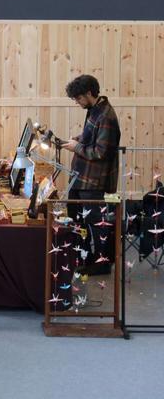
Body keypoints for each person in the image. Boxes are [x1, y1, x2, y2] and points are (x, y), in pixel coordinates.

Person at [62, 74, 120, 275]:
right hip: (82, 179)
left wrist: (77, 147)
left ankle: (101, 264)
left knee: (97, 225)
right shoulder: (95, 110)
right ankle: (83, 258)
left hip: (94, 183)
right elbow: (91, 138)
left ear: (89, 93)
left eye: (78, 98)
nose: (77, 102)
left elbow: (101, 152)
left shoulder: (106, 116)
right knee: (77, 221)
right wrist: (78, 139)